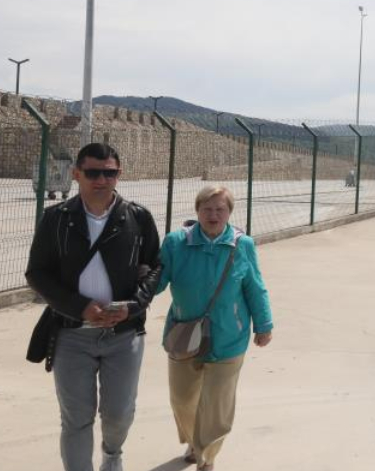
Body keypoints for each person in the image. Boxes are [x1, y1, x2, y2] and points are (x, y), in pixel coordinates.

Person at [25, 143, 162, 471]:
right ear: (76, 174)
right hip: (71, 334)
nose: (101, 179)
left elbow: (155, 267)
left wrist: (133, 306)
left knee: (119, 415)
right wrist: (79, 307)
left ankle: (112, 454)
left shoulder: (138, 217)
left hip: (123, 335)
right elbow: (37, 273)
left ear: (119, 174)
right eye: (92, 172)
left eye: (109, 172)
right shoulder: (56, 218)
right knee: (76, 418)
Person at [156, 186, 273, 471]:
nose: (213, 215)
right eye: (207, 209)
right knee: (182, 398)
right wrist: (132, 297)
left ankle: (206, 456)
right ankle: (195, 442)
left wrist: (264, 324)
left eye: (220, 209)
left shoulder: (242, 245)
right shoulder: (175, 243)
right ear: (197, 211)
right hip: (184, 335)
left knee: (217, 406)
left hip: (229, 337)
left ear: (229, 213)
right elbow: (156, 281)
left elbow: (254, 287)